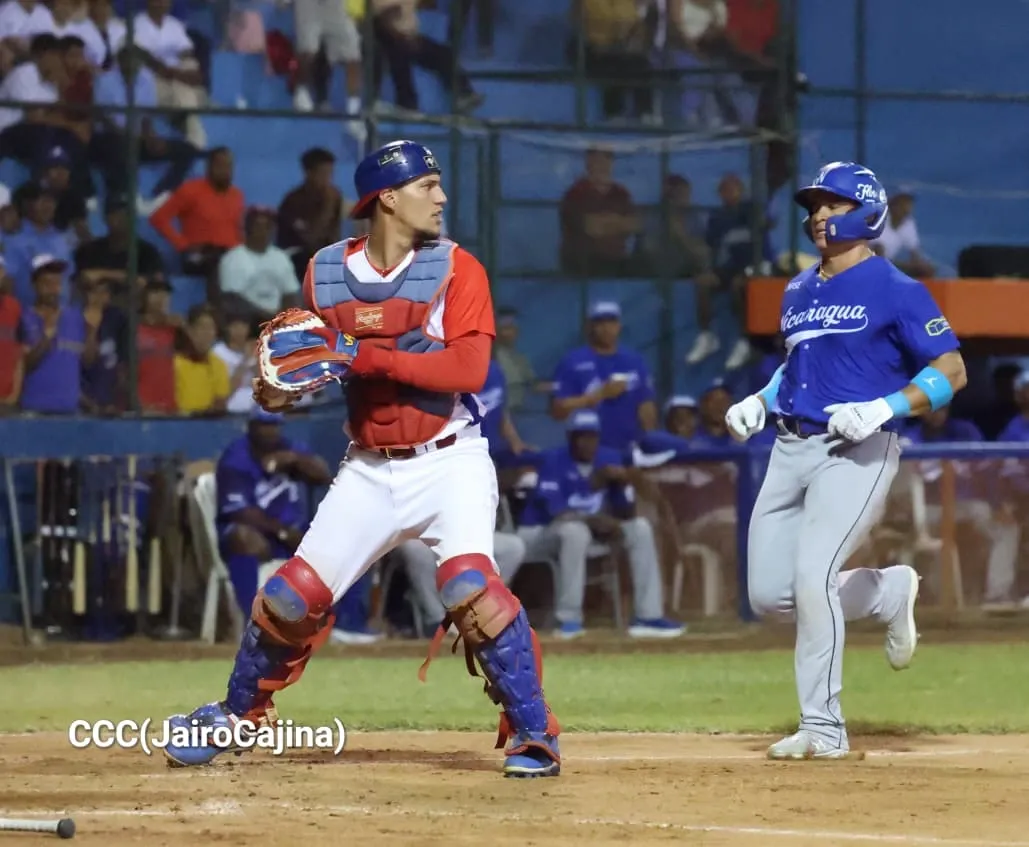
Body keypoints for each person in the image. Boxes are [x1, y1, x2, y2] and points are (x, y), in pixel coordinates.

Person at [162, 140, 562, 779]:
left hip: (448, 459)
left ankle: (533, 732)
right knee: (290, 598)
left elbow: (467, 368)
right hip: (369, 467)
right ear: (388, 197)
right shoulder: (324, 273)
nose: (441, 196)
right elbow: (313, 366)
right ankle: (239, 715)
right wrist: (278, 392)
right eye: (428, 185)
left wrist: (361, 354)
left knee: (468, 586)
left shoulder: (461, 270)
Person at [724, 161, 968, 760]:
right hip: (789, 446)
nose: (818, 216)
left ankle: (824, 727)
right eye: (813, 207)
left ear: (865, 210)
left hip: (856, 449)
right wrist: (760, 400)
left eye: (831, 205)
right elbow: (799, 368)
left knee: (812, 579)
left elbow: (952, 371)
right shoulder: (799, 288)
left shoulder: (897, 289)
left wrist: (884, 408)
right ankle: (887, 594)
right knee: (770, 596)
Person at [517, 408, 685, 639]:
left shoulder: (609, 459)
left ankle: (648, 616)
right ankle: (568, 620)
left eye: (592, 436)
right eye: (581, 436)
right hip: (538, 535)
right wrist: (595, 514)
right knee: (575, 532)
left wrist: (624, 483)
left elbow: (624, 512)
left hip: (588, 532)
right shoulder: (554, 460)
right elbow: (556, 513)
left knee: (640, 529)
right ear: (570, 438)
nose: (587, 443)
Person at [215, 408, 334, 621]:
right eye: (264, 425)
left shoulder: (290, 448)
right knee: (244, 539)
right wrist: (283, 533)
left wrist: (296, 460)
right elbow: (240, 513)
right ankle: (254, 622)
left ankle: (348, 624)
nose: (270, 432)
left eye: (274, 425)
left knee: (338, 540)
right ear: (251, 426)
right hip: (257, 533)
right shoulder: (236, 458)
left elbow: (324, 476)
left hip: (292, 531)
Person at [549, 300, 658, 453]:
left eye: (611, 322)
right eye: (600, 323)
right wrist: (599, 395)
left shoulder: (635, 361)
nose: (607, 329)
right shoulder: (572, 361)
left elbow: (646, 406)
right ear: (589, 327)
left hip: (631, 448)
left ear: (619, 326)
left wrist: (649, 441)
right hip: (587, 451)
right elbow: (557, 411)